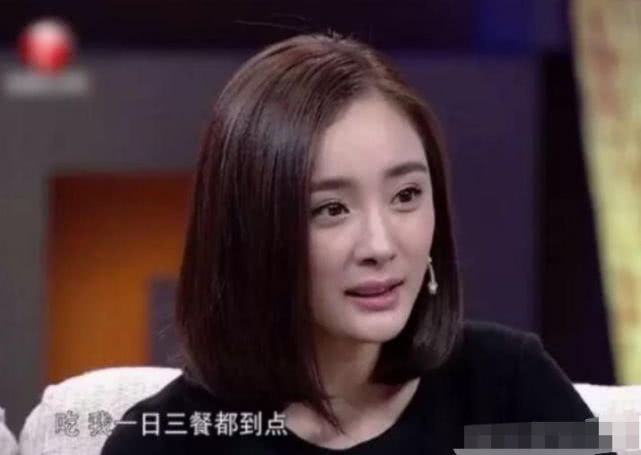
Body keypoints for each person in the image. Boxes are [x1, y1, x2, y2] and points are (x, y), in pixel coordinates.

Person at [101, 32, 593, 454]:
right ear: (250, 233)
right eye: (331, 209)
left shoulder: (507, 389)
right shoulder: (166, 442)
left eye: (406, 195)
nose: (380, 244)